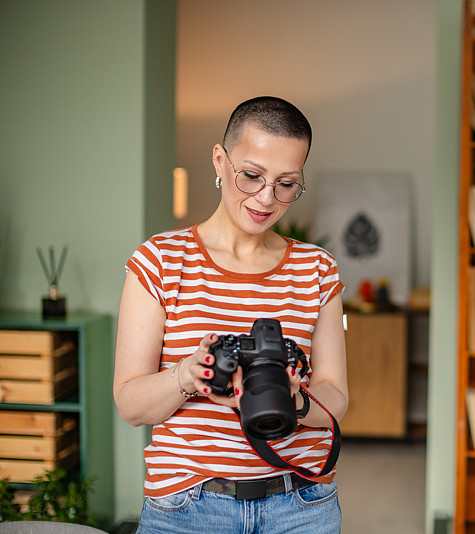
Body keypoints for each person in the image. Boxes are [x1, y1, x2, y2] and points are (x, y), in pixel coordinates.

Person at [113, 96, 348, 534]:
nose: (266, 198)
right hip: (187, 505)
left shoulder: (318, 269)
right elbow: (129, 404)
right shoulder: (159, 261)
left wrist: (297, 401)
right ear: (220, 161)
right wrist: (186, 374)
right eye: (252, 176)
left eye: (286, 184)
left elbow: (336, 395)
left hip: (301, 503)